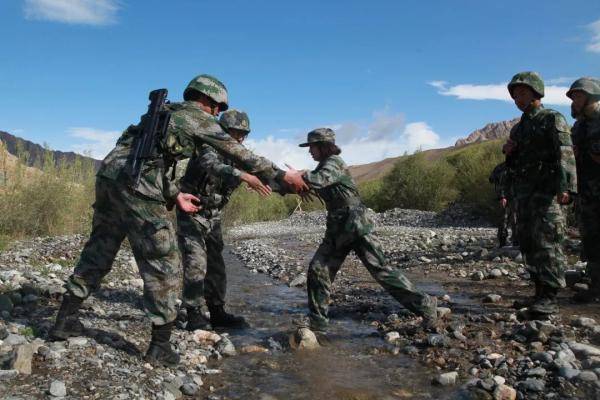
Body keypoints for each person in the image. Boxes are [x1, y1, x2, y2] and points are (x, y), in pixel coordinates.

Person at [50, 74, 307, 366]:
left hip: (111, 176)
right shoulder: (197, 118)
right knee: (163, 261)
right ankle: (160, 345)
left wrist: (174, 194)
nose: (218, 114)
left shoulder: (159, 115)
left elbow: (143, 157)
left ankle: (65, 319)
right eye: (219, 108)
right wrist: (284, 175)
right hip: (138, 184)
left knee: (101, 247)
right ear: (209, 101)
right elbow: (240, 155)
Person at [292, 128, 438, 332]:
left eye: (312, 147)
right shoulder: (323, 166)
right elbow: (306, 183)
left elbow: (318, 179)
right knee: (318, 269)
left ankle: (425, 306)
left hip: (357, 225)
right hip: (337, 228)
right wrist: (277, 182)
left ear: (324, 147)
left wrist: (298, 175)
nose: (309, 152)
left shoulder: (333, 163)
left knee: (381, 271)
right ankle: (318, 321)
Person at [177, 109, 271, 330]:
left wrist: (293, 183)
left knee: (217, 265)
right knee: (196, 262)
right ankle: (194, 314)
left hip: (214, 216)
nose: (240, 138)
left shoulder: (241, 155)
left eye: (243, 134)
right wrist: (243, 176)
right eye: (236, 133)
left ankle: (217, 311)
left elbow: (262, 172)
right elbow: (213, 165)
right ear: (224, 131)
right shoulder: (207, 146)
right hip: (192, 212)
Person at [503, 72, 577, 317]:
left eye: (522, 93)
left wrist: (566, 187)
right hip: (524, 194)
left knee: (548, 243)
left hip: (546, 193)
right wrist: (510, 152)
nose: (517, 98)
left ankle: (550, 297)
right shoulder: (519, 128)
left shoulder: (551, 119)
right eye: (514, 95)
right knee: (528, 242)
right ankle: (538, 293)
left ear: (536, 93)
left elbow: (565, 154)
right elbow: (512, 165)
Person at [567, 77, 600, 303]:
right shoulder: (579, 125)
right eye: (574, 97)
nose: (575, 100)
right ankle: (595, 286)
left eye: (579, 96)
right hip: (587, 191)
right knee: (590, 239)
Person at [489, 162, 518, 247]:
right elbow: (493, 180)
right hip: (507, 197)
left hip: (513, 197)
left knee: (513, 219)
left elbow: (491, 179)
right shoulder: (501, 168)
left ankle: (514, 241)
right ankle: (504, 241)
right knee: (506, 219)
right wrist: (502, 196)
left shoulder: (501, 167)